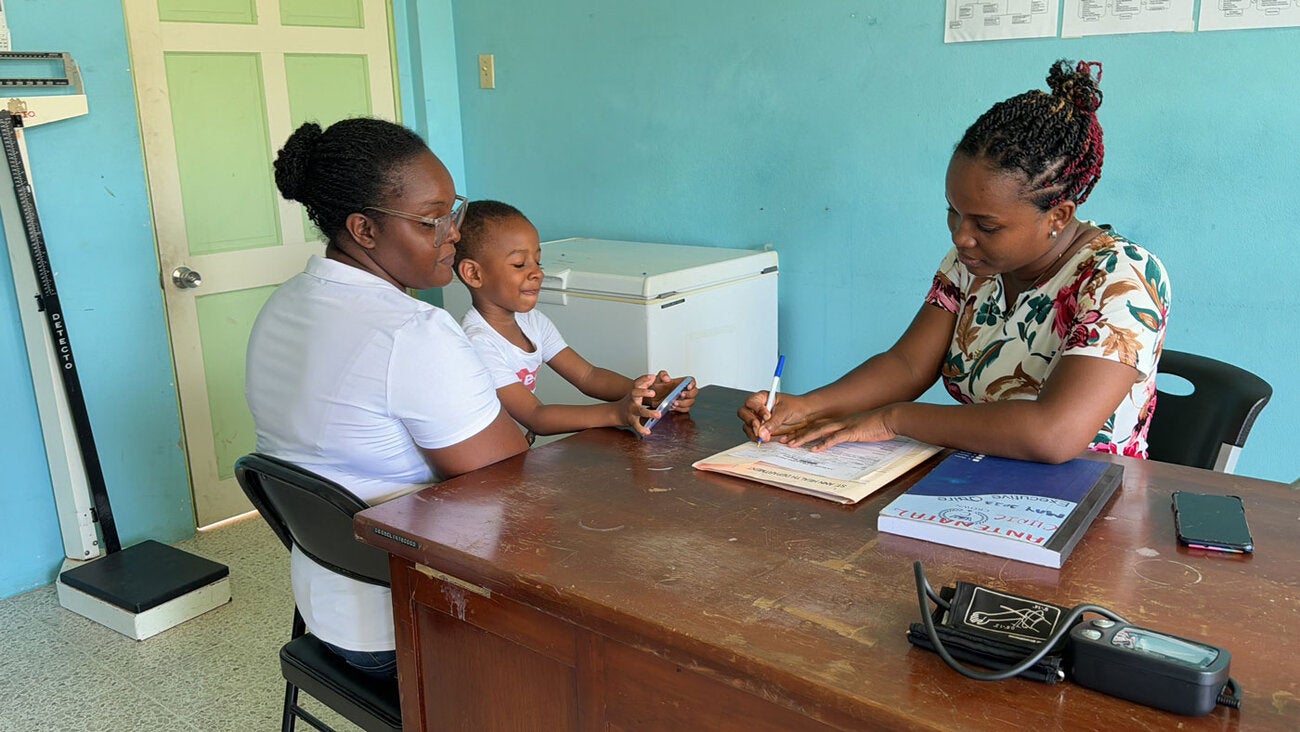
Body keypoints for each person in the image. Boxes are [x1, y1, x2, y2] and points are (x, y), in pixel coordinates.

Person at [741, 60, 1170, 463]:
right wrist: (807, 406)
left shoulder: (1119, 277)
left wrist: (894, 418)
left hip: (1091, 500)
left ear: (1058, 217)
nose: (961, 236)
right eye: (953, 211)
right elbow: (908, 364)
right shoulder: (972, 261)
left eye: (986, 224)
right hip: (980, 468)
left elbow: (1053, 433)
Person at [245, 118, 528, 680]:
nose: (454, 233)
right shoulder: (414, 332)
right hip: (408, 628)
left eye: (455, 210)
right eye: (431, 220)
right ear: (364, 230)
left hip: (327, 608)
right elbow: (515, 486)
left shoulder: (286, 303)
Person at [453, 200, 698, 437]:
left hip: (515, 452)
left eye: (538, 261)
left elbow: (588, 376)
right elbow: (535, 416)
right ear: (474, 274)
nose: (537, 272)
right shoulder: (477, 343)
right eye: (519, 264)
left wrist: (649, 395)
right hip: (487, 465)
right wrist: (617, 413)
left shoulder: (533, 322)